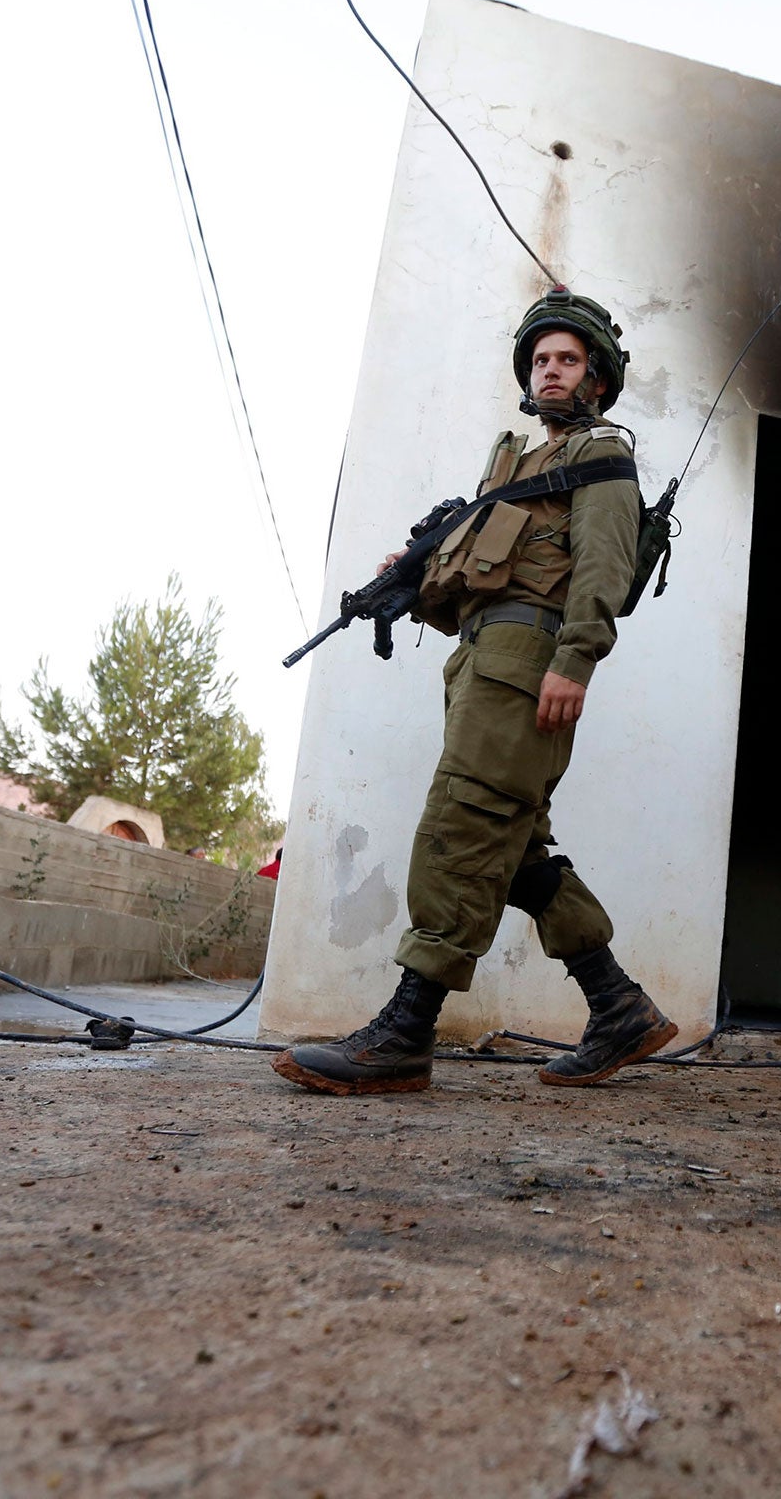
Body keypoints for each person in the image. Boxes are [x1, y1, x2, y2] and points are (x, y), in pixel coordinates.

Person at [273, 287, 673, 1096]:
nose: (548, 371)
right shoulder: (528, 466)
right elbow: (488, 575)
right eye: (539, 360)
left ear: (595, 374)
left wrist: (578, 657)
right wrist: (413, 576)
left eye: (565, 359)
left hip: (529, 662)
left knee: (462, 825)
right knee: (514, 847)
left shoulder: (601, 453)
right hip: (484, 660)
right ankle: (618, 1006)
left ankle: (404, 1033)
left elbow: (601, 567)